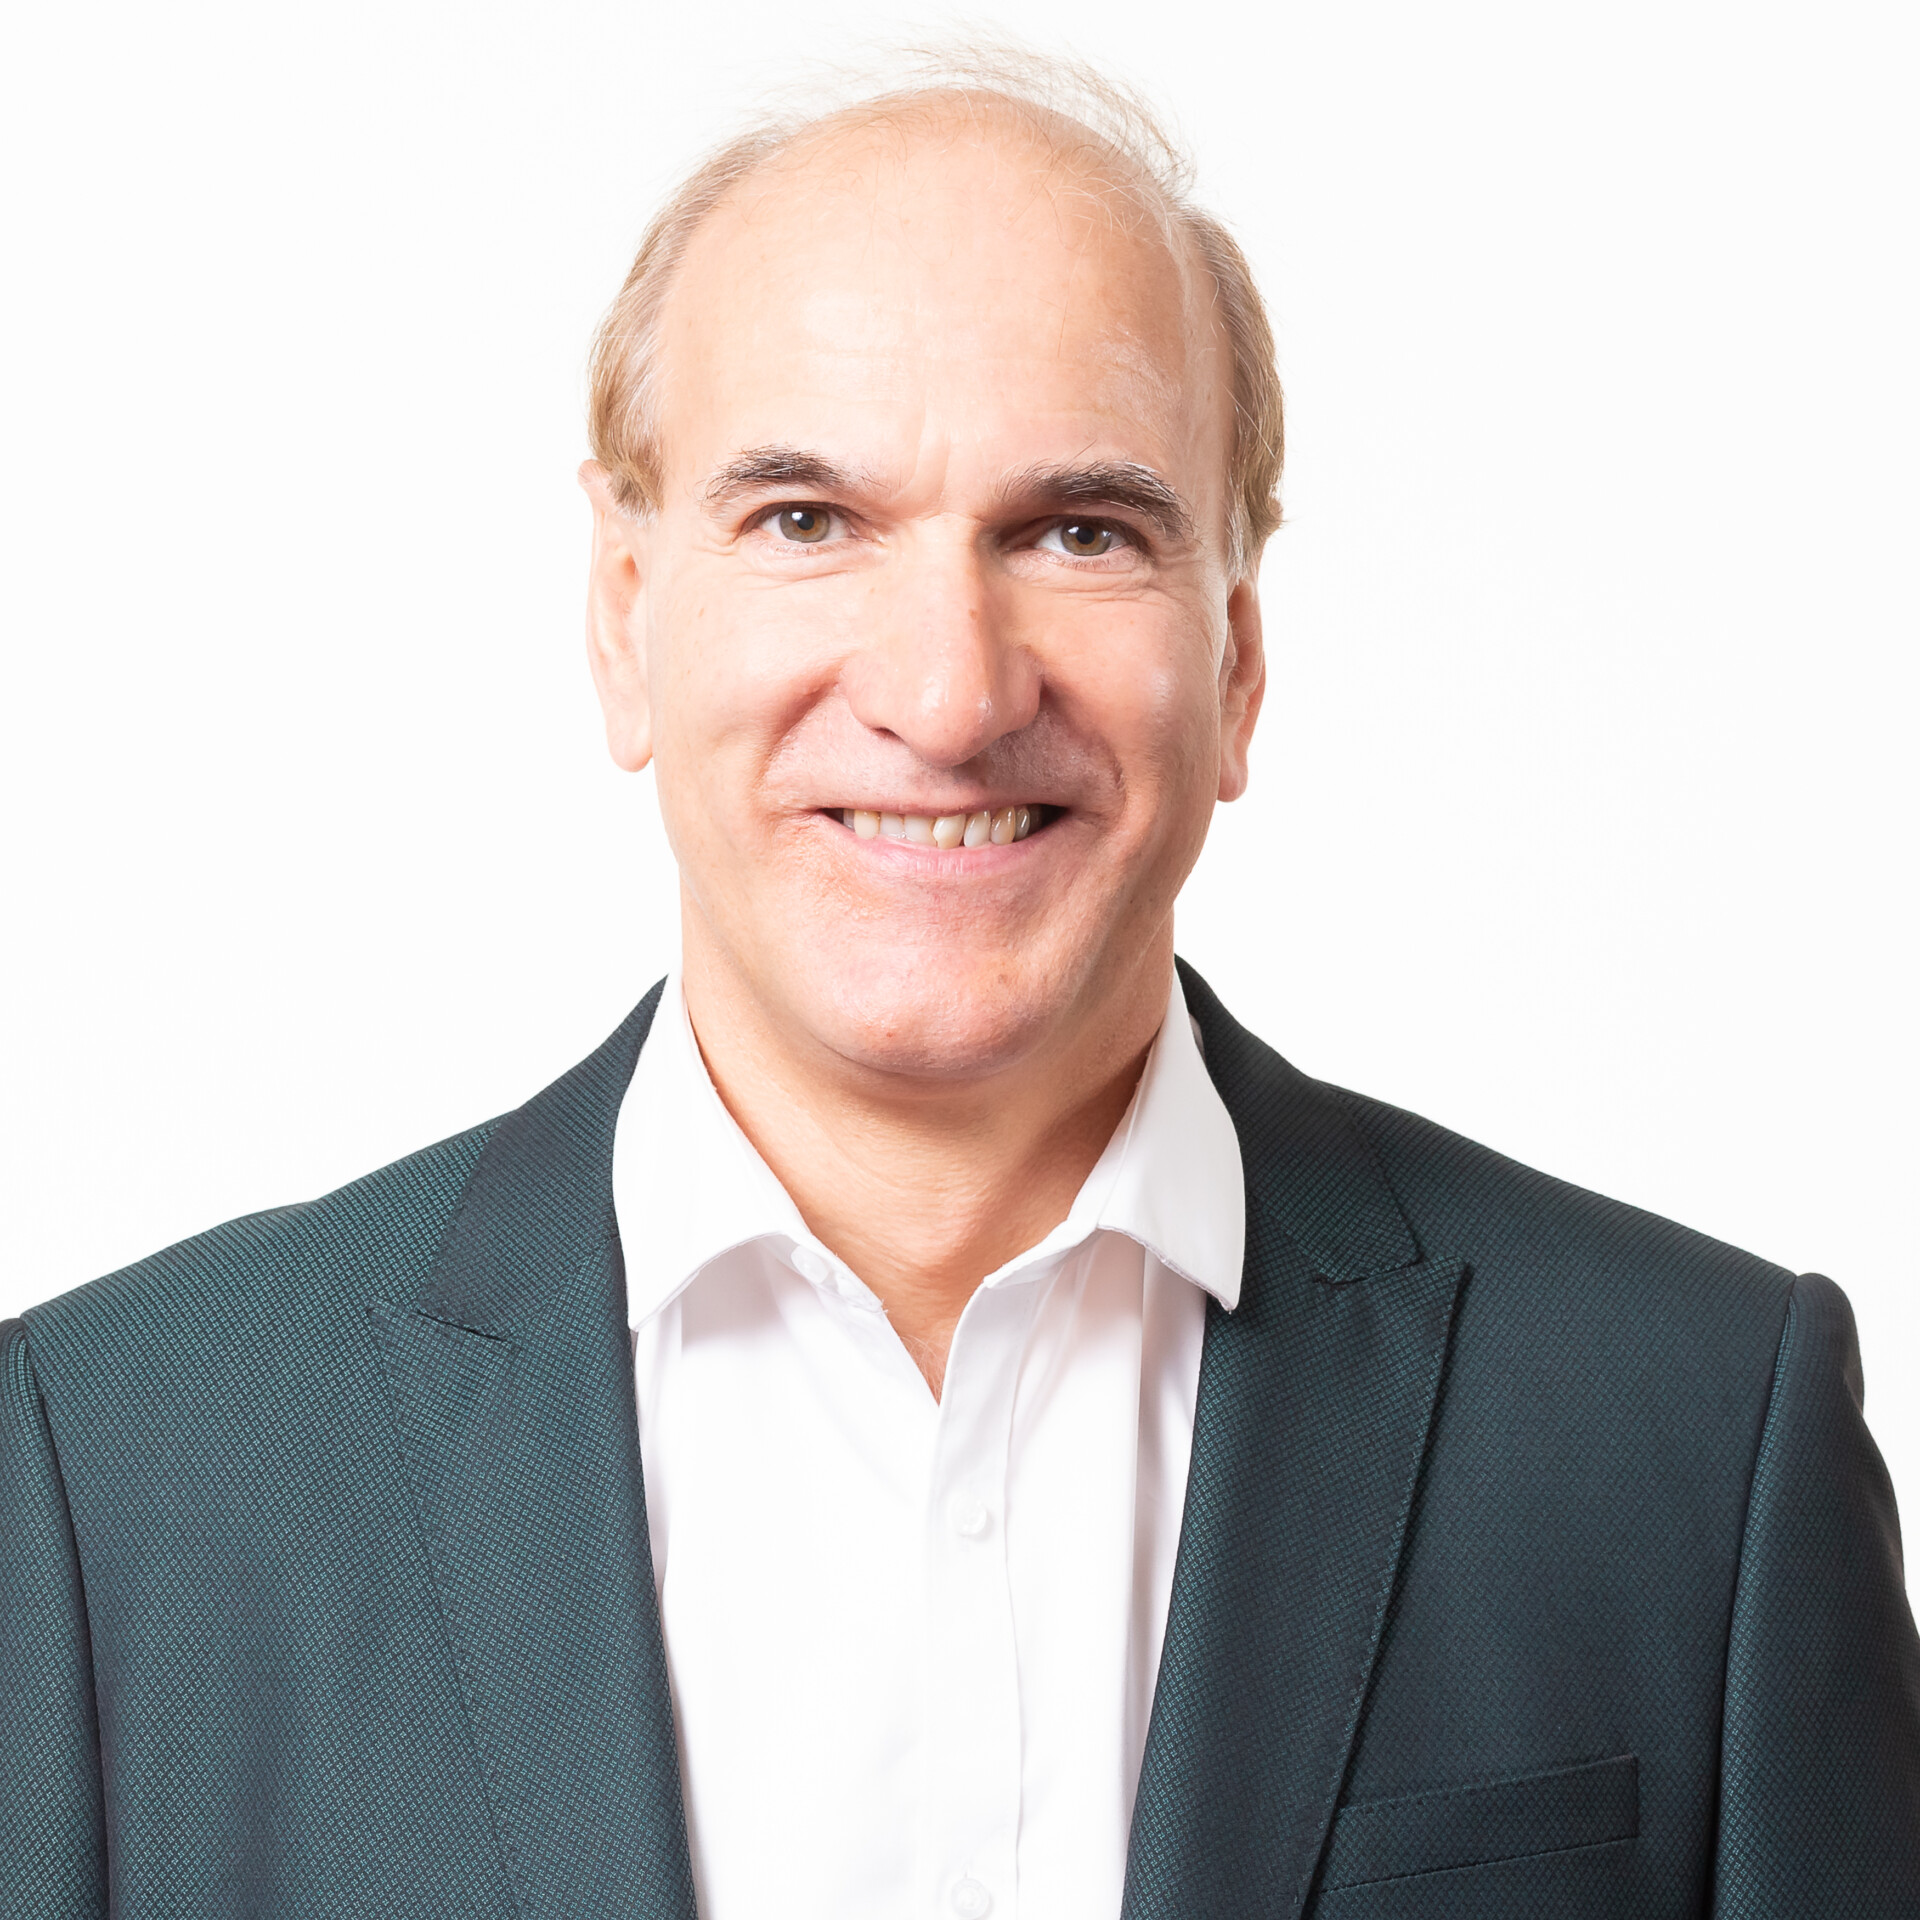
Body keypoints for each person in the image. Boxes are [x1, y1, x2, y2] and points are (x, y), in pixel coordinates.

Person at [3, 45, 1915, 1920]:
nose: (947, 691)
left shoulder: (1696, 1438)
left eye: (1081, 532)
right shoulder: (112, 1479)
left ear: (1237, 661)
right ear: (624, 613)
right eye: (806, 521)